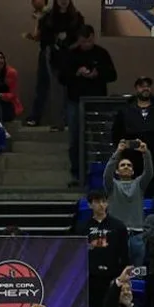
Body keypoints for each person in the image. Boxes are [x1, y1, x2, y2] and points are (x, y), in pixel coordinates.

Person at [62, 25, 115, 188]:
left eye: (89, 41)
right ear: (79, 40)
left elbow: (113, 75)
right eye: (83, 41)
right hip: (75, 101)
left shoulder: (101, 53)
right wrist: (76, 73)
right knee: (75, 140)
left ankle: (103, 174)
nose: (87, 44)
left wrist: (98, 74)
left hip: (97, 102)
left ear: (93, 37)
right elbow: (62, 78)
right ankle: (77, 174)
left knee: (101, 139)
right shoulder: (71, 55)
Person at [110, 76, 154, 194]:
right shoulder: (125, 111)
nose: (145, 88)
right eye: (142, 86)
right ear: (136, 88)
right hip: (132, 161)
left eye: (148, 86)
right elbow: (116, 134)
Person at [26, 0, 85, 130]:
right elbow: (42, 37)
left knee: (69, 89)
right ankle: (55, 120)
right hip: (51, 54)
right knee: (51, 87)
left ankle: (68, 120)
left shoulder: (76, 16)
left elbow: (81, 37)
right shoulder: (49, 16)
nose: (63, 1)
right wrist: (54, 43)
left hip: (70, 56)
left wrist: (70, 47)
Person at [79, 189, 129, 307]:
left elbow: (124, 253)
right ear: (90, 205)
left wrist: (123, 276)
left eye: (103, 201)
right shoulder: (82, 227)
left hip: (112, 277)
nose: (101, 205)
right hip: (90, 277)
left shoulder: (118, 226)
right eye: (97, 202)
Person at [103, 140, 153, 266]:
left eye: (129, 165)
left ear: (133, 171)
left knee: (137, 272)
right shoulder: (112, 185)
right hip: (116, 235)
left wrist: (146, 153)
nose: (126, 167)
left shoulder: (139, 184)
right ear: (117, 171)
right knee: (116, 271)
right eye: (122, 165)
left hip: (137, 235)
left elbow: (149, 172)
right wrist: (118, 152)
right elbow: (107, 174)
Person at [0, 50, 24, 129]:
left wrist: (0, 95)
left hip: (8, 106)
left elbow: (13, 95)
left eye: (1, 58)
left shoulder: (11, 73)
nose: (0, 61)